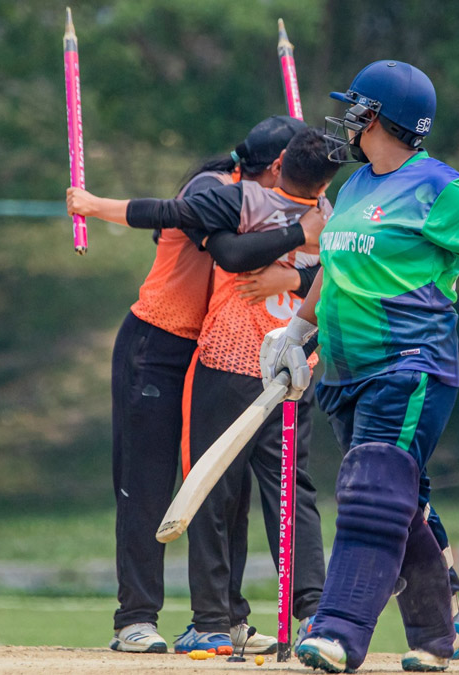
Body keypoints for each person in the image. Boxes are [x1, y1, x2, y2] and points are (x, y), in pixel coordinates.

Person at [259, 60, 459, 673]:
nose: (346, 119)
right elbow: (333, 270)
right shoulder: (353, 188)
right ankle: (437, 635)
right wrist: (298, 331)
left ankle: (339, 629)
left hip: (413, 366)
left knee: (371, 490)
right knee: (398, 505)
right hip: (345, 373)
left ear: (376, 117)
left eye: (355, 107)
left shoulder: (445, 190)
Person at [71, 127, 338, 652]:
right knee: (150, 481)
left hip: (227, 353)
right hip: (162, 342)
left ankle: (226, 617)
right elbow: (205, 238)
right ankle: (137, 618)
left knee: (230, 488)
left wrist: (294, 270)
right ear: (275, 162)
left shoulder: (305, 204)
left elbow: (331, 268)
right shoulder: (219, 191)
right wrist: (93, 205)